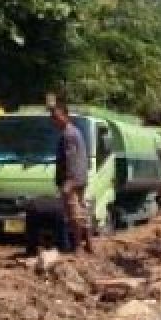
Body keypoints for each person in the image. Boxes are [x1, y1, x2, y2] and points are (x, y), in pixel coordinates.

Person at [51, 103, 93, 253]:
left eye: (57, 117)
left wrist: (68, 182)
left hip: (73, 180)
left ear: (66, 116)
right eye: (53, 118)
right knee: (82, 212)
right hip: (80, 178)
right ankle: (88, 244)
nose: (54, 121)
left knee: (74, 214)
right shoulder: (77, 132)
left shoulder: (68, 135)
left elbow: (71, 159)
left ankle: (78, 247)